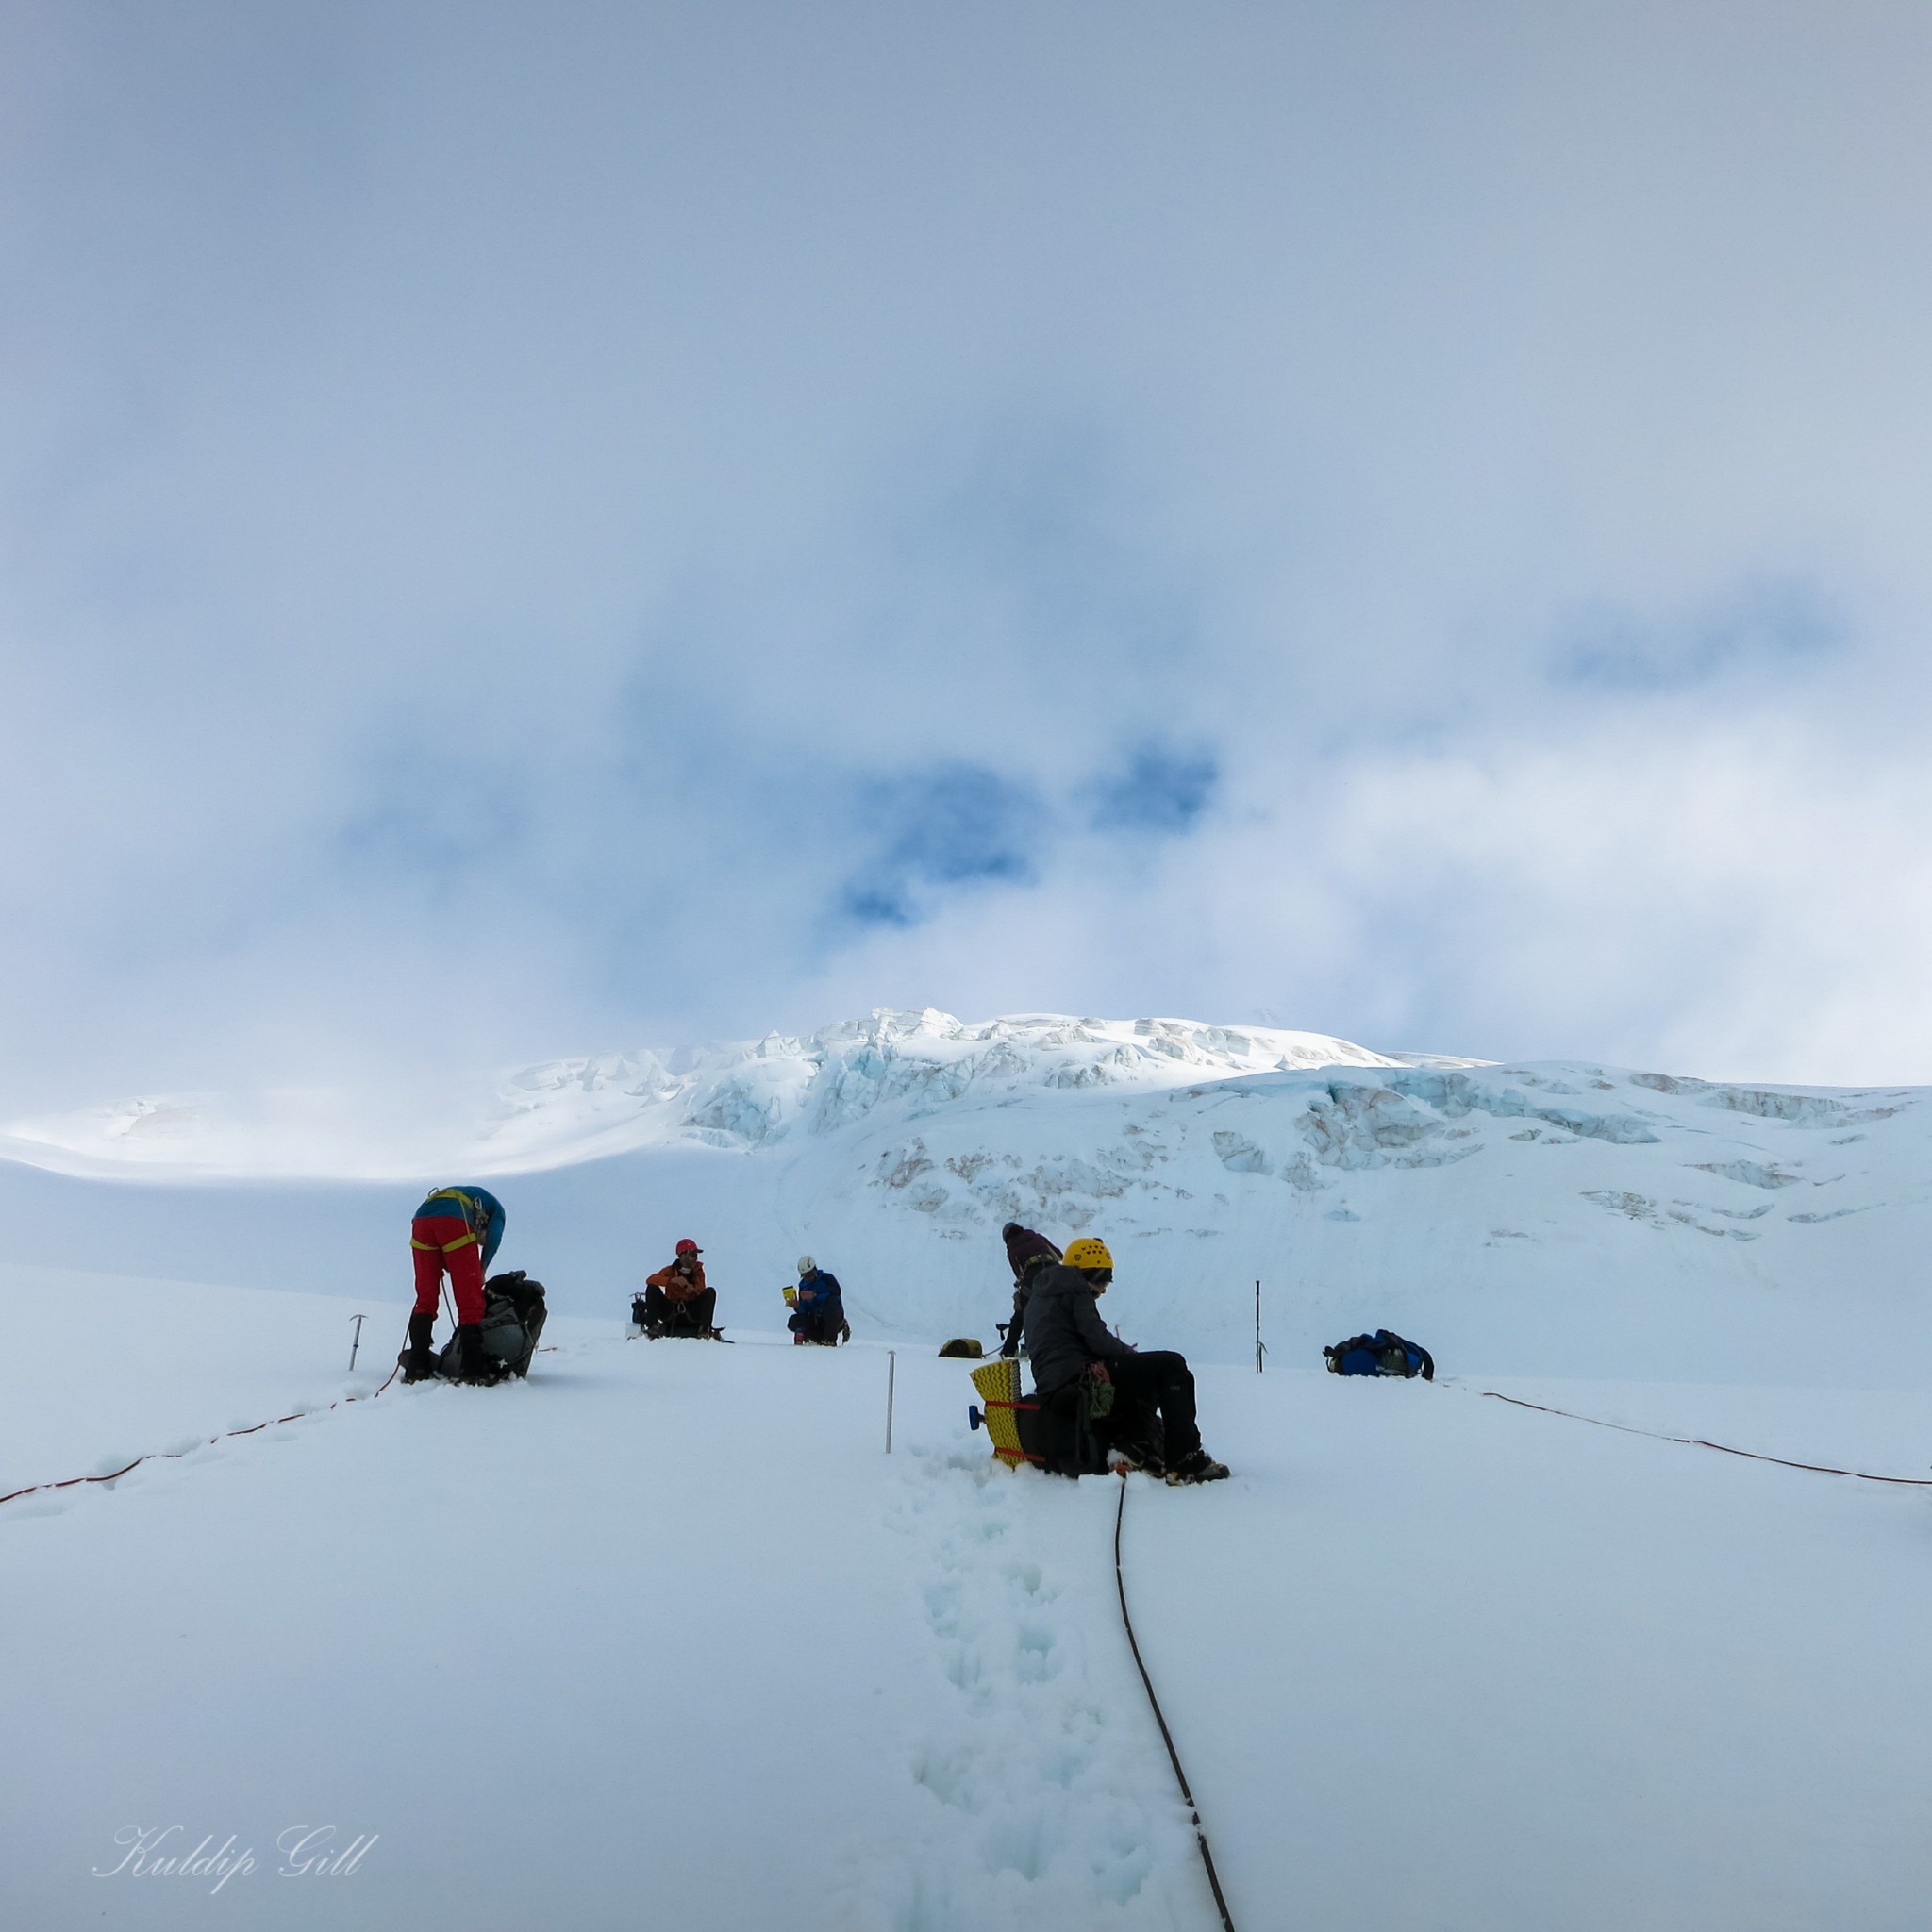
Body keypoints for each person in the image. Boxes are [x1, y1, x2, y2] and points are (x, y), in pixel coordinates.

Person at [1020, 1236, 1229, 1484]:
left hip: (1055, 1382)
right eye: (1102, 1279)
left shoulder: (1041, 1295)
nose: (1103, 1288)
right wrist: (1130, 1354)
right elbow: (1097, 1339)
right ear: (1090, 1271)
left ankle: (1137, 1445)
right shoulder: (1075, 1288)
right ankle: (1184, 1458)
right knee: (1172, 1365)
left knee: (1144, 1375)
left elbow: (1069, 1342)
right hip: (1079, 1377)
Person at [402, 1184, 507, 1383]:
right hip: (454, 1220)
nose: (478, 1242)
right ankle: (472, 1369)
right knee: (470, 1301)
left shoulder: (471, 1196)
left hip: (421, 1222)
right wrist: (481, 1269)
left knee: (425, 1297)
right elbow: (493, 1239)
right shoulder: (497, 1211)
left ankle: (417, 1366)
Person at [998, 1223, 1061, 1357]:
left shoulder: (1012, 1247)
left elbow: (1018, 1272)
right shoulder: (1036, 1236)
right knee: (1056, 1310)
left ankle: (1010, 1350)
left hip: (1033, 1276)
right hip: (1054, 1273)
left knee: (1023, 1313)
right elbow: (1059, 1255)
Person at [642, 1239, 722, 1339]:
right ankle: (652, 1328)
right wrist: (671, 1280)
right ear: (682, 1255)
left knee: (710, 1292)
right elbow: (651, 1279)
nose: (695, 1258)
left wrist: (693, 1290)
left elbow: (701, 1289)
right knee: (652, 1288)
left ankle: (704, 1330)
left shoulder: (698, 1271)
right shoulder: (670, 1270)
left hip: (691, 1313)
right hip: (671, 1313)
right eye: (692, 1254)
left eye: (696, 1255)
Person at [786, 1256, 849, 1346]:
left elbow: (836, 1291)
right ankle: (817, 1339)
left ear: (815, 1270)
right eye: (805, 1277)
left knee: (832, 1303)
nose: (808, 1279)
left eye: (810, 1275)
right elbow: (805, 1311)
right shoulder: (803, 1287)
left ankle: (830, 1340)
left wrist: (815, 1294)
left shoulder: (827, 1278)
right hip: (816, 1321)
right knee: (794, 1321)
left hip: (832, 1320)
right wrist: (797, 1306)